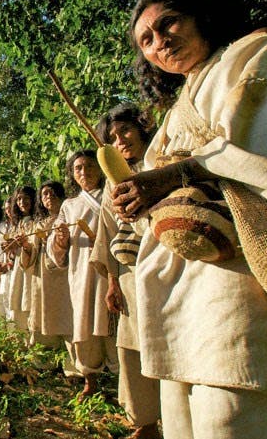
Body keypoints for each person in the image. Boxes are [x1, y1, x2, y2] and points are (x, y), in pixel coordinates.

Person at [109, 0, 267, 438]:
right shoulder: (175, 110)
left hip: (241, 286)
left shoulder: (264, 55)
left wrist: (174, 174)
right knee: (188, 420)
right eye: (146, 40)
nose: (160, 42)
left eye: (169, 23)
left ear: (201, 16)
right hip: (178, 295)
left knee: (237, 415)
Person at [90, 104, 161, 439]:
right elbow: (107, 231)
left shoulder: (164, 159)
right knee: (134, 345)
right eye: (113, 138)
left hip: (169, 270)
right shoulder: (109, 184)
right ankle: (145, 422)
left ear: (143, 128)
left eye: (126, 131)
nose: (121, 141)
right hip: (131, 276)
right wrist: (112, 282)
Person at [47, 150, 117, 399]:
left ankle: (123, 379)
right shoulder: (70, 205)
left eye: (88, 166)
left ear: (99, 168)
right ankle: (91, 379)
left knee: (114, 321)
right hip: (82, 271)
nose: (84, 172)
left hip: (112, 268)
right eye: (78, 168)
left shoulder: (112, 194)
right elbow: (54, 248)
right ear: (72, 174)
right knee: (84, 322)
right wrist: (61, 239)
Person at [19, 181, 73, 350]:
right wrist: (26, 247)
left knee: (67, 315)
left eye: (52, 192)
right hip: (42, 277)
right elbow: (30, 257)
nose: (49, 197)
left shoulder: (71, 217)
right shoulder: (39, 224)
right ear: (41, 200)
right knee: (42, 315)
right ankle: (45, 362)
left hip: (66, 276)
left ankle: (72, 367)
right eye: (45, 194)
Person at [4, 186, 37, 331]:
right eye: (18, 199)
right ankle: (20, 339)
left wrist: (24, 245)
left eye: (26, 198)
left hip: (34, 268)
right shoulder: (19, 223)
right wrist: (10, 247)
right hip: (19, 268)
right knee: (18, 300)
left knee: (31, 300)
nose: (22, 202)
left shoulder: (39, 220)